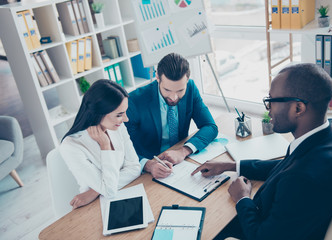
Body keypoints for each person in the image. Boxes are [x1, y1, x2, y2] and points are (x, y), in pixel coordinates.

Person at [192, 63, 332, 240]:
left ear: (298, 108)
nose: (267, 108)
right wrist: (232, 165)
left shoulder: (300, 180)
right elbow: (288, 165)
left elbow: (261, 237)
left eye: (271, 100)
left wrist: (242, 198)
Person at [125, 53, 218, 178]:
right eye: (167, 90)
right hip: (149, 168)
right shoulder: (134, 101)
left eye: (180, 91)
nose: (174, 98)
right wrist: (148, 165)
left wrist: (183, 151)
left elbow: (210, 126)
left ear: (187, 80)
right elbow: (123, 148)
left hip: (180, 163)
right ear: (157, 77)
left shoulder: (190, 88)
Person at [60, 80, 141, 209]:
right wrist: (105, 146)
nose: (126, 119)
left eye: (125, 112)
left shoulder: (117, 126)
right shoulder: (71, 146)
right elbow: (109, 191)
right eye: (119, 115)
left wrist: (94, 191)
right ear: (99, 113)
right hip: (94, 206)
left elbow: (135, 168)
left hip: (123, 192)